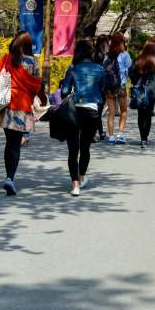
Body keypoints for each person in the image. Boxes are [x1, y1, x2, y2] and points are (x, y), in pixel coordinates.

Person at [0, 32, 47, 196]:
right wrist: (43, 99)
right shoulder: (33, 62)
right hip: (22, 107)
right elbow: (37, 85)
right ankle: (10, 178)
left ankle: (8, 176)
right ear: (28, 45)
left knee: (9, 143)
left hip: (5, 106)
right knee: (15, 145)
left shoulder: (6, 59)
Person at [60, 40, 105, 197]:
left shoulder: (72, 69)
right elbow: (103, 89)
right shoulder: (100, 69)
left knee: (73, 150)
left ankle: (75, 185)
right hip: (92, 111)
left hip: (74, 111)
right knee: (85, 147)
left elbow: (64, 91)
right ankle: (82, 177)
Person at [129, 40, 155, 148]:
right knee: (148, 115)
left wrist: (136, 82)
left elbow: (130, 72)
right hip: (151, 91)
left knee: (141, 115)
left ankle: (141, 136)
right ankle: (145, 138)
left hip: (140, 90)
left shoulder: (138, 60)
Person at [103, 33, 133, 145]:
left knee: (111, 112)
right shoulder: (125, 55)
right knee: (124, 111)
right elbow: (130, 69)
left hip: (109, 87)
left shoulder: (107, 55)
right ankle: (120, 134)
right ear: (121, 43)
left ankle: (111, 137)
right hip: (121, 86)